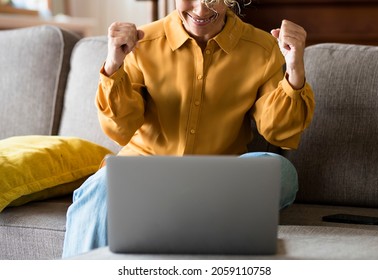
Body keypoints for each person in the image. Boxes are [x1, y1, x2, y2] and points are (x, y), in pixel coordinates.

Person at [62, 0, 315, 258]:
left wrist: (294, 69)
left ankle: (178, 212)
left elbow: (279, 131)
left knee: (281, 172)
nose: (201, 10)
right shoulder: (141, 43)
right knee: (103, 186)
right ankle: (187, 215)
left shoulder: (262, 49)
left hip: (217, 179)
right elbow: (121, 129)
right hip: (145, 175)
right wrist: (114, 65)